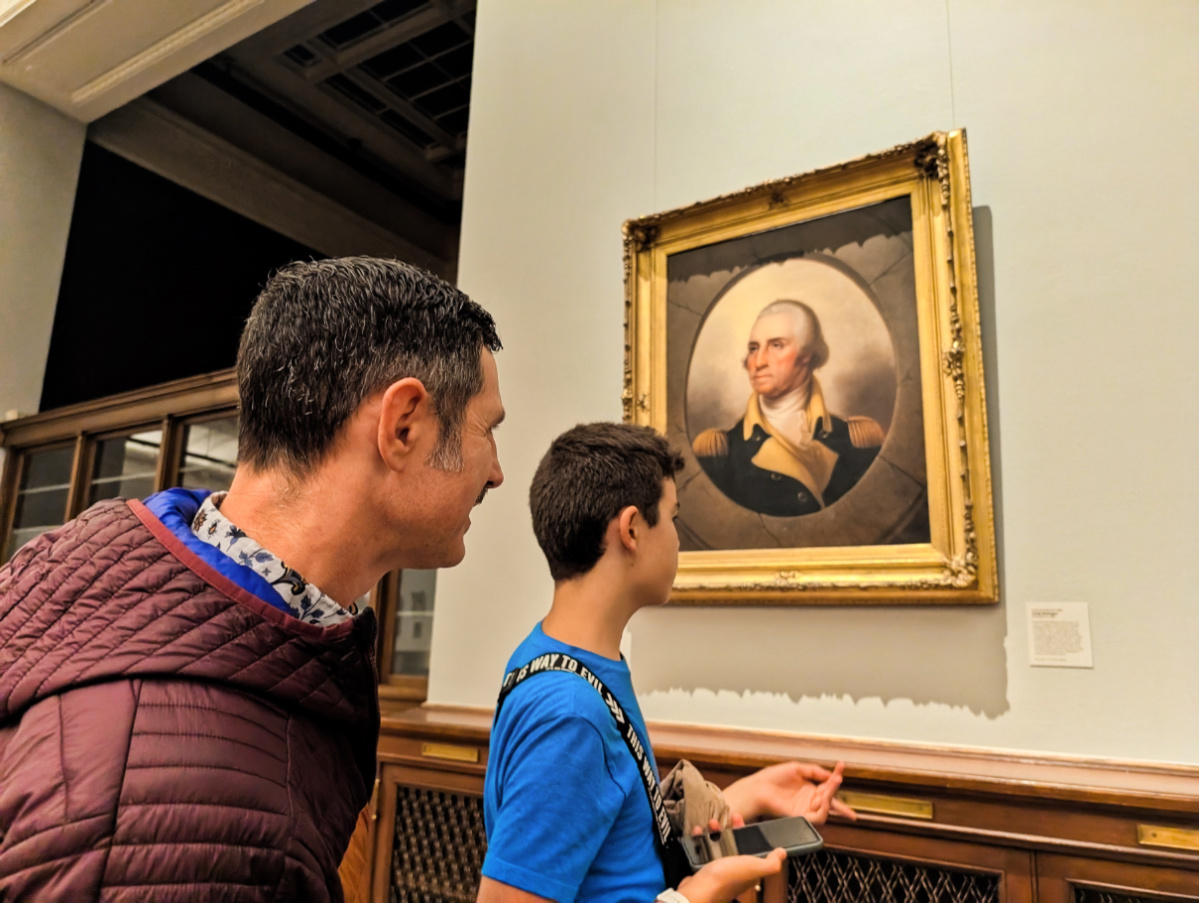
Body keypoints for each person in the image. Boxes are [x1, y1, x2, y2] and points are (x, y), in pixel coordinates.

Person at [0, 258, 506, 901]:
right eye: (488, 430)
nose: (496, 473)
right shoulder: (187, 808)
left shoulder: (113, 577)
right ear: (402, 424)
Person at [479, 422, 854, 903]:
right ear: (632, 530)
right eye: (673, 518)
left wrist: (753, 792)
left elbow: (617, 842)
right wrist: (698, 895)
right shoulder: (570, 713)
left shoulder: (562, 661)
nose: (678, 540)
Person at [693, 300, 884, 517]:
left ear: (807, 354)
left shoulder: (857, 441)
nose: (758, 362)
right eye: (754, 348)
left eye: (776, 345)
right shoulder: (721, 453)